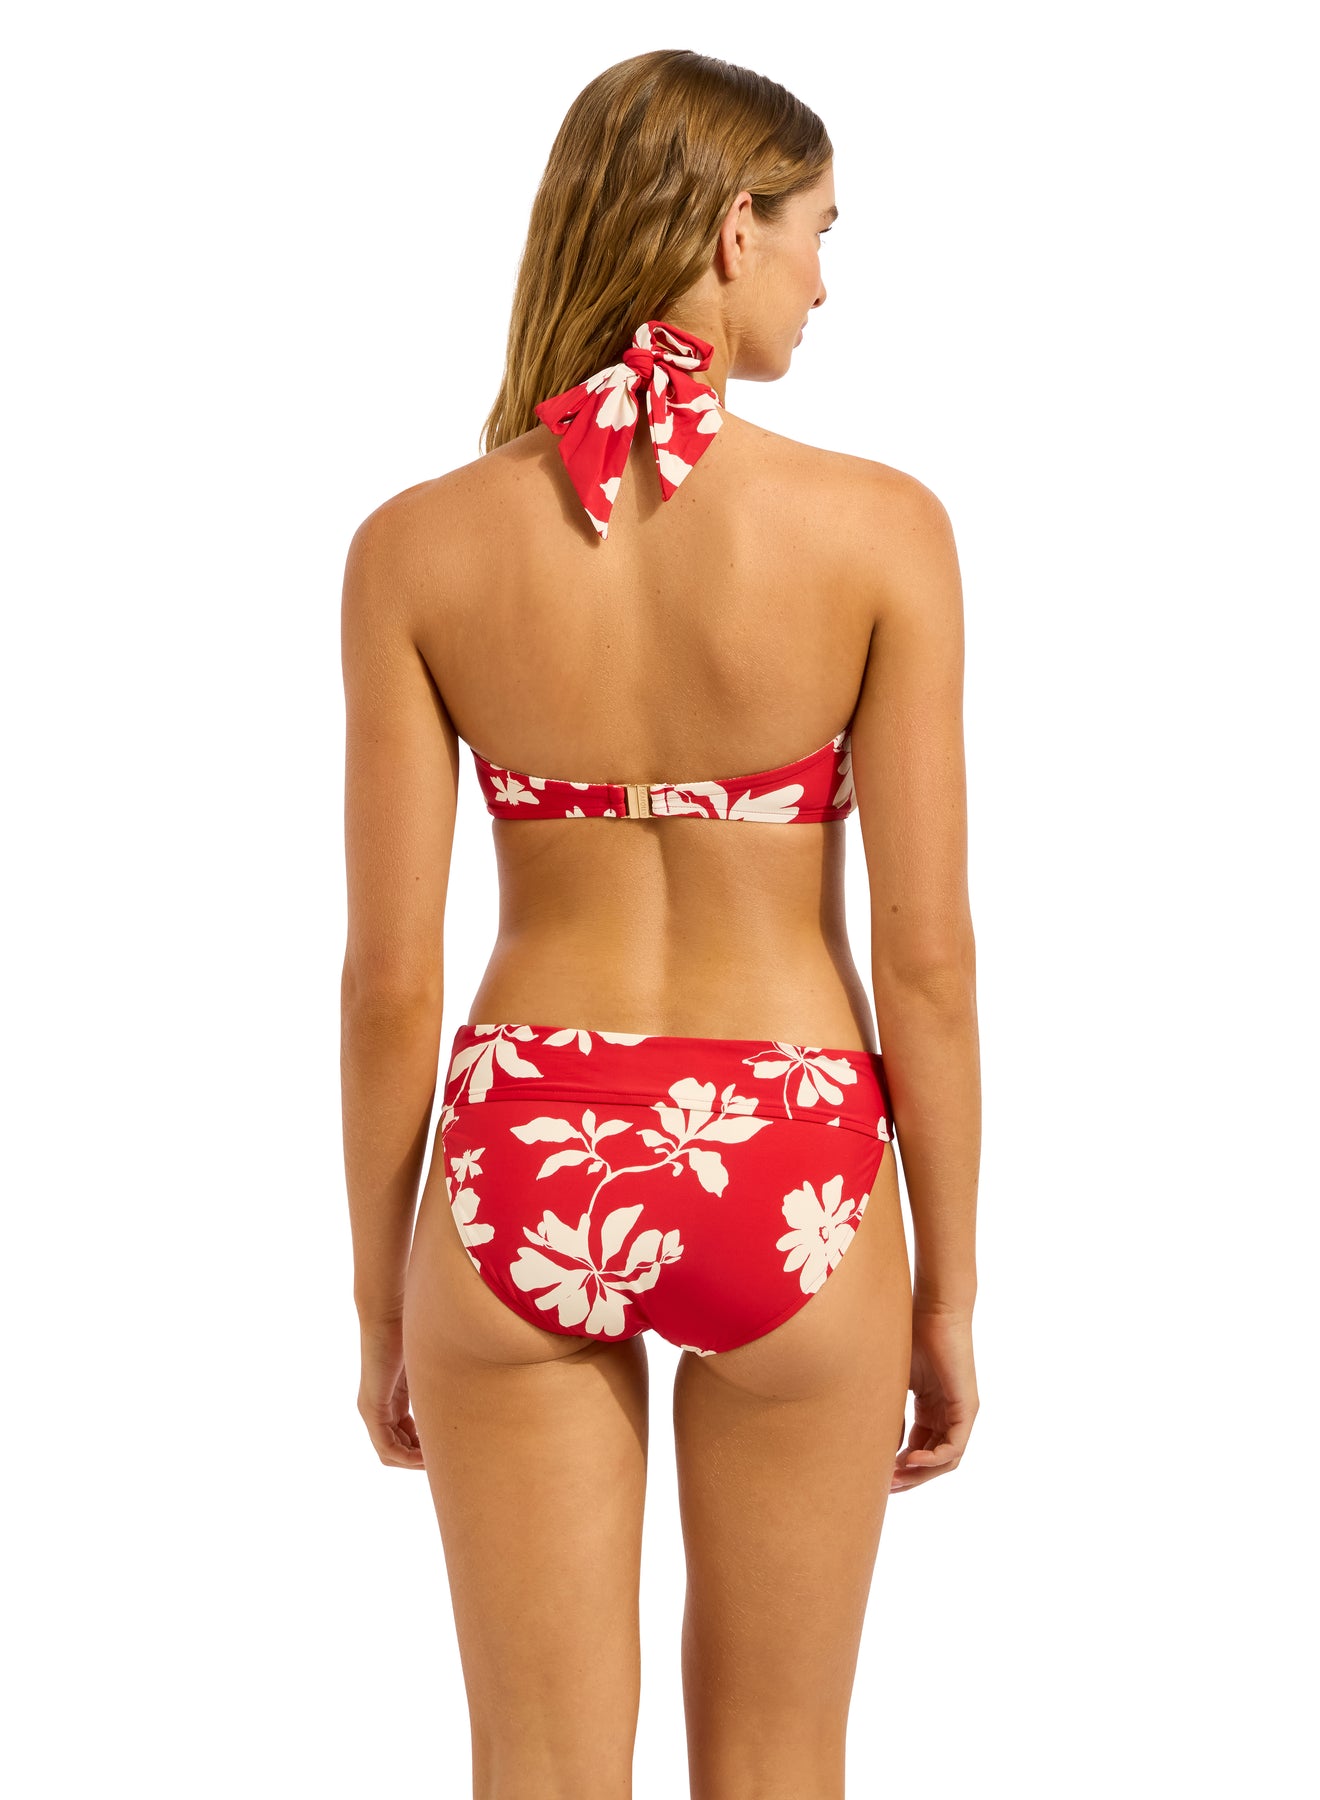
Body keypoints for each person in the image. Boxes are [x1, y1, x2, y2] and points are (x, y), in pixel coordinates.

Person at [339, 47, 980, 1800]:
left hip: (520, 1152)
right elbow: (928, 961)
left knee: (538, 1767)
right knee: (778, 1763)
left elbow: (389, 981)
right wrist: (946, 1296)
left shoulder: (414, 549)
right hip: (791, 1151)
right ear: (729, 230)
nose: (825, 283)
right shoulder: (883, 532)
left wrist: (383, 1297)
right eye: (819, 233)